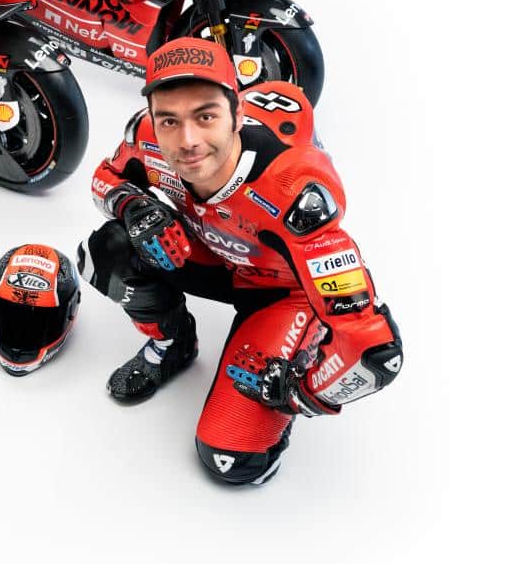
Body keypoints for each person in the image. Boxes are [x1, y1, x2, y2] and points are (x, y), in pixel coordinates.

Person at [77, 38, 402, 485]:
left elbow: (376, 350)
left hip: (282, 292)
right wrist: (132, 205)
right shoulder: (146, 138)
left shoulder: (294, 190)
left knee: (232, 459)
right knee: (106, 252)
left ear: (239, 115)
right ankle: (173, 345)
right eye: (170, 120)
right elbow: (103, 179)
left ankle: (296, 346)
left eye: (206, 116)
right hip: (211, 252)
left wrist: (301, 391)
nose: (187, 141)